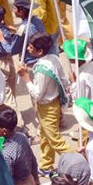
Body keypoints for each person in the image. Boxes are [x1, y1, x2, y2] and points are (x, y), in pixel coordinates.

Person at [17, 32, 71, 175]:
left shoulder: (42, 70)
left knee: (55, 140)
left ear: (40, 51)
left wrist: (26, 78)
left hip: (47, 107)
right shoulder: (53, 58)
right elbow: (63, 78)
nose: (28, 48)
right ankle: (46, 165)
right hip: (54, 103)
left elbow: (37, 95)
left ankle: (78, 160)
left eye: (31, 47)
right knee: (45, 136)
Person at [0, 106, 39, 185]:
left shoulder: (6, 154)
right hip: (30, 180)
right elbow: (33, 159)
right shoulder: (21, 136)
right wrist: (36, 179)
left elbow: (8, 181)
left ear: (4, 131)